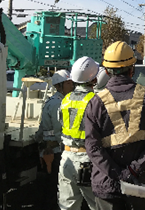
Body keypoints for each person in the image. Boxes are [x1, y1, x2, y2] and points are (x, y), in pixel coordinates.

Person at [84, 41, 145, 210]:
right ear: (132, 68)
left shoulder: (95, 103)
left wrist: (117, 173)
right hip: (140, 184)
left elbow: (92, 146)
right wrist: (134, 170)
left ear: (106, 71)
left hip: (107, 185)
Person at [58, 57, 98, 210]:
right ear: (93, 80)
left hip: (67, 157)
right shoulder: (95, 100)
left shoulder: (65, 100)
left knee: (68, 205)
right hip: (87, 159)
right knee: (97, 205)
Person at [35, 69, 74, 210]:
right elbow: (59, 132)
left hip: (47, 150)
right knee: (54, 187)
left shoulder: (52, 101)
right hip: (56, 151)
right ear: (59, 86)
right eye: (69, 83)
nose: (72, 86)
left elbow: (42, 129)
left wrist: (36, 139)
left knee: (47, 186)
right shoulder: (59, 104)